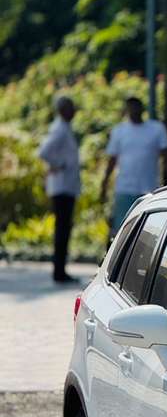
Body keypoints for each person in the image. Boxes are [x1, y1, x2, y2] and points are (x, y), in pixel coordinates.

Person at [101, 97, 167, 234]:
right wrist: (104, 184)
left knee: (149, 230)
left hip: (149, 188)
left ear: (142, 108)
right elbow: (112, 160)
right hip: (125, 188)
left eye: (136, 107)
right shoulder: (119, 131)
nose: (134, 111)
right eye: (131, 107)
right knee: (123, 230)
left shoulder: (156, 129)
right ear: (126, 110)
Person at [38, 95, 80, 284]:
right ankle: (59, 272)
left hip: (65, 186)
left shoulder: (64, 128)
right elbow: (44, 152)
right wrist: (59, 164)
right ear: (63, 110)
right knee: (62, 230)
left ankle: (60, 270)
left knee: (63, 229)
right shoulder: (60, 129)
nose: (74, 111)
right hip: (62, 187)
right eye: (71, 107)